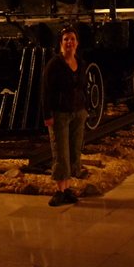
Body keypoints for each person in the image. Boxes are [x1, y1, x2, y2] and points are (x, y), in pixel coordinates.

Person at [42, 25, 88, 207]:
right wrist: (47, 115)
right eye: (66, 39)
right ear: (61, 43)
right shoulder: (55, 64)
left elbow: (84, 86)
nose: (69, 42)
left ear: (77, 43)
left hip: (78, 112)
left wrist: (86, 107)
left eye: (72, 39)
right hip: (60, 113)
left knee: (73, 150)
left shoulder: (80, 62)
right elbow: (46, 91)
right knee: (61, 152)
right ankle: (59, 191)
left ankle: (67, 188)